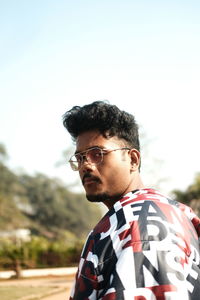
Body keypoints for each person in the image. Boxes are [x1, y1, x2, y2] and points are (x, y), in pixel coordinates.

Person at [62, 101, 200, 300]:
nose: (86, 165)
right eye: (81, 158)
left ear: (133, 160)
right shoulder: (167, 211)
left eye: (97, 154)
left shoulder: (139, 224)